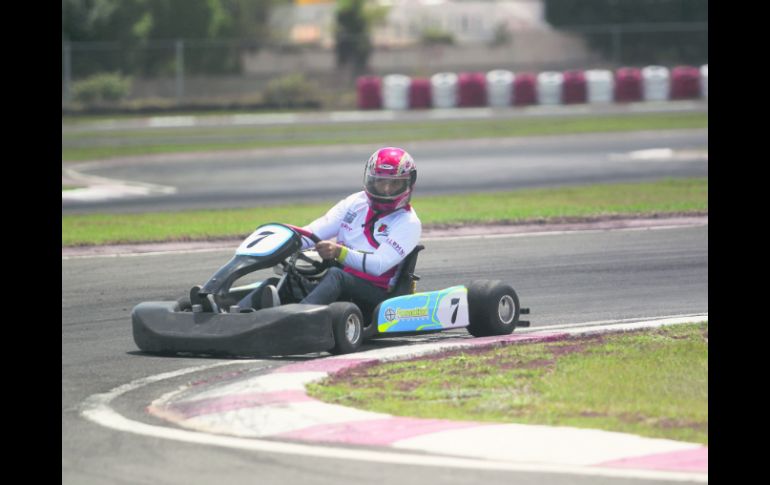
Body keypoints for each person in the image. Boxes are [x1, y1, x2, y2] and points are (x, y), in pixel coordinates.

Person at [262, 147, 422, 311]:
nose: (386, 190)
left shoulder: (408, 223)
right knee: (286, 280)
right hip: (342, 285)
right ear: (371, 180)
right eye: (381, 182)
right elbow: (312, 233)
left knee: (335, 275)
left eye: (394, 183)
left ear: (408, 183)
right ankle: (241, 314)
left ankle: (295, 317)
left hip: (378, 298)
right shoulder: (355, 203)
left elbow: (378, 265)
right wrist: (277, 244)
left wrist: (339, 252)